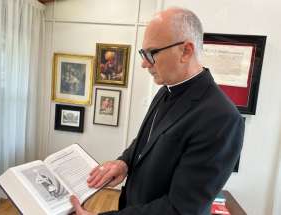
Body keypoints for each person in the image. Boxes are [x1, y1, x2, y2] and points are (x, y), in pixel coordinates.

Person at [70, 7, 244, 215]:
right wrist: (124, 162)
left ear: (186, 51)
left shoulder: (221, 117)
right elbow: (147, 141)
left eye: (152, 53)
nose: (144, 63)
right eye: (143, 53)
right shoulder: (166, 89)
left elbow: (181, 210)